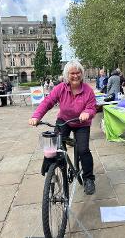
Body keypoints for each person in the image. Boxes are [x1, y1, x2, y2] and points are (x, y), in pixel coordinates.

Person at [29, 60, 96, 195]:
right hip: (64, 120)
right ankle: (53, 167)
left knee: (83, 150)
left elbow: (92, 107)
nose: (75, 76)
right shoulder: (60, 88)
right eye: (72, 73)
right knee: (54, 145)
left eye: (78, 73)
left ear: (82, 74)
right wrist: (36, 116)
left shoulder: (88, 90)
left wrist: (87, 113)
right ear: (67, 75)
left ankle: (88, 178)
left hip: (82, 123)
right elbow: (47, 102)